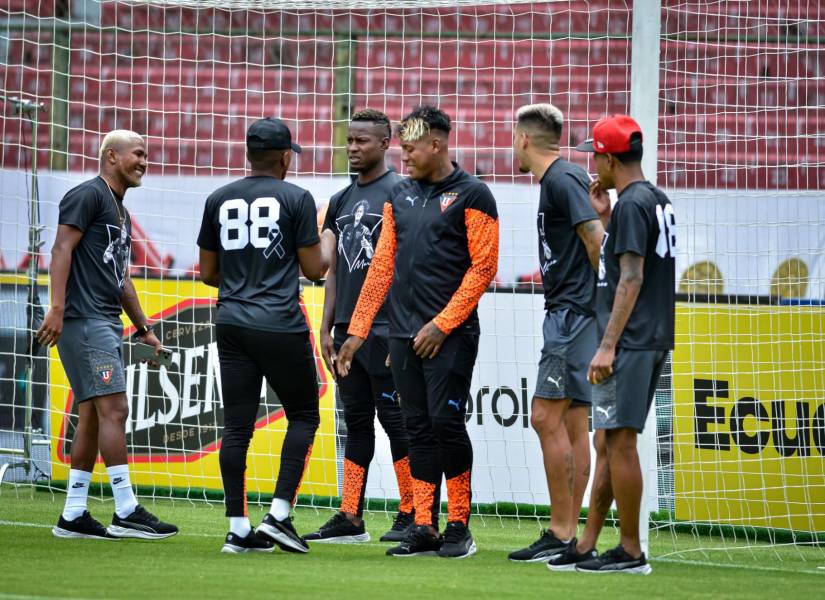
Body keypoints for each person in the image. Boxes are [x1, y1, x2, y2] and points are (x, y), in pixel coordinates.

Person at [336, 106, 499, 559]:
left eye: (410, 149)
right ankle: (423, 525)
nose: (404, 157)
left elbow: (484, 268)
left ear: (437, 145)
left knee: (446, 424)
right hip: (400, 337)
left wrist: (442, 324)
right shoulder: (400, 196)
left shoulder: (474, 194)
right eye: (402, 148)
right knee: (418, 428)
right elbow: (382, 266)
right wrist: (357, 331)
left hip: (452, 335)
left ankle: (459, 525)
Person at [197, 117, 329, 554]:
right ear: (285, 157)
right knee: (305, 415)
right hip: (279, 322)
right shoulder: (297, 198)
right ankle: (278, 515)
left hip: (231, 321)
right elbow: (315, 270)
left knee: (236, 428)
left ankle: (237, 528)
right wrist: (327, 234)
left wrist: (244, 279)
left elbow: (208, 273)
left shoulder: (218, 198)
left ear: (249, 155)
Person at [38, 130, 178, 541]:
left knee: (94, 416)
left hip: (102, 321)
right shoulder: (88, 195)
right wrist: (58, 308)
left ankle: (74, 514)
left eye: (146, 155)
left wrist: (144, 329)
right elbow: (60, 249)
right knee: (116, 409)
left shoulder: (119, 209)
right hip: (84, 320)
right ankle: (126, 509)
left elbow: (121, 279)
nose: (144, 161)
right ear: (111, 156)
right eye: (138, 154)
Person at [552, 114, 675, 574]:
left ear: (607, 157)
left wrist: (607, 345)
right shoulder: (652, 199)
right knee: (607, 441)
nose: (592, 166)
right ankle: (588, 543)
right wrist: (603, 217)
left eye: (594, 156)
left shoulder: (633, 204)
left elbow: (631, 277)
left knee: (619, 443)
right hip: (650, 336)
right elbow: (624, 265)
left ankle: (631, 550)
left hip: (630, 340)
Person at [304, 109, 415, 544]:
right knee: (355, 422)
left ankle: (411, 510)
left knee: (396, 421)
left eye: (362, 141)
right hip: (346, 327)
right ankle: (351, 515)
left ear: (386, 143)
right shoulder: (339, 200)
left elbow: (408, 268)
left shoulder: (402, 194)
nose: (353, 148)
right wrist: (327, 323)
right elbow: (332, 271)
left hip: (387, 328)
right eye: (349, 140)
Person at [507, 104, 604, 563]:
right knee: (573, 422)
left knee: (545, 418)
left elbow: (594, 238)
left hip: (571, 315)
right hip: (576, 314)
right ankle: (572, 534)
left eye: (513, 138)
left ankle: (562, 531)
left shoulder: (563, 180)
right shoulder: (565, 178)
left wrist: (592, 301)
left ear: (524, 139)